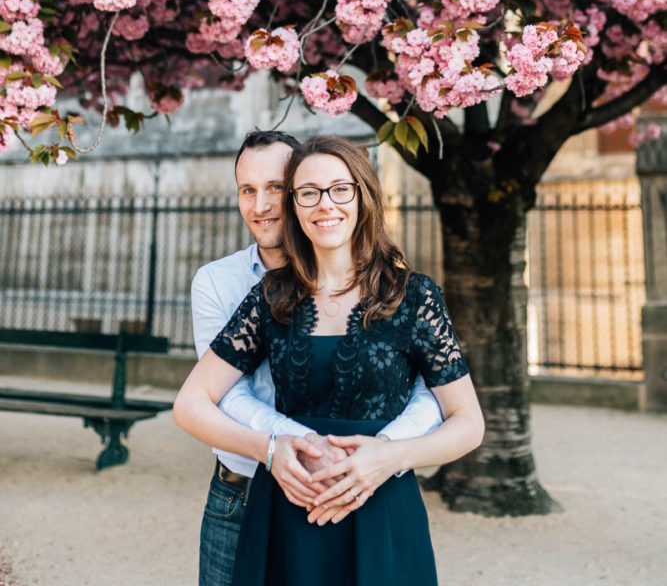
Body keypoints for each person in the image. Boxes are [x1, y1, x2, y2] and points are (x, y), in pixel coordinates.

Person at [178, 134, 484, 586]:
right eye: (308, 193)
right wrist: (270, 449)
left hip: (381, 507)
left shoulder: (414, 296)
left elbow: (468, 421)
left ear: (363, 196)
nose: (325, 204)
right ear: (296, 209)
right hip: (285, 509)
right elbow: (191, 404)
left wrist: (390, 456)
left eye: (341, 189)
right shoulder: (271, 297)